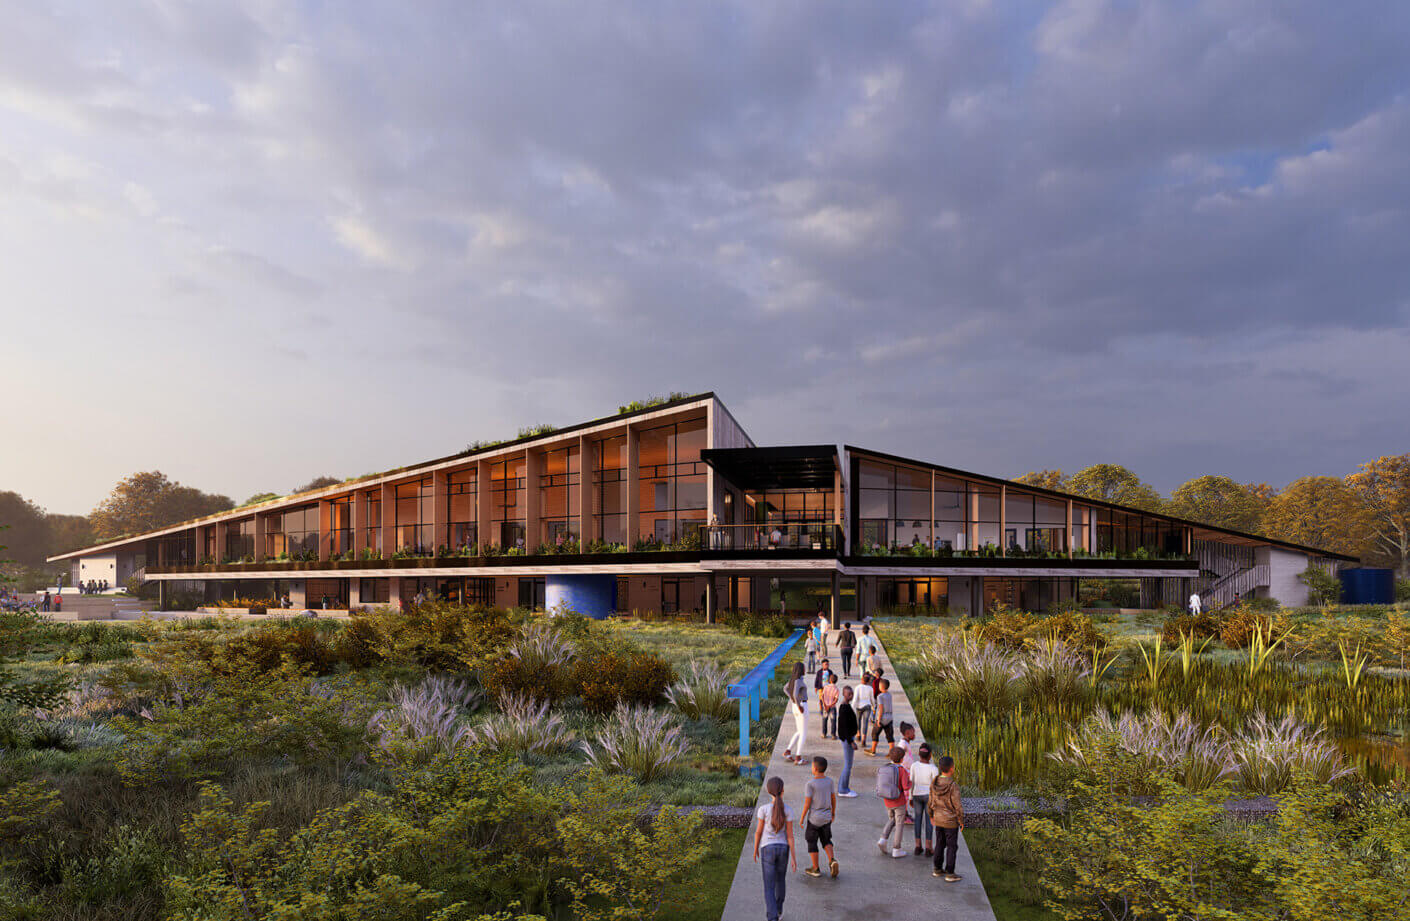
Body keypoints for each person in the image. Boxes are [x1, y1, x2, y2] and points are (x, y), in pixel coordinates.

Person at [753, 776, 796, 921]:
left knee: (769, 886)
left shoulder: (763, 809)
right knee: (780, 881)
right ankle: (778, 911)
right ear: (783, 791)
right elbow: (790, 836)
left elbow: (758, 832)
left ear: (768, 791)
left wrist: (755, 850)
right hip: (783, 849)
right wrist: (794, 858)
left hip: (767, 849)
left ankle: (772, 917)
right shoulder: (788, 810)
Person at [801, 755, 839, 879]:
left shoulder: (810, 784)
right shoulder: (829, 781)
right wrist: (833, 812)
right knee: (826, 840)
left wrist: (802, 818)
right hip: (827, 817)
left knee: (812, 841)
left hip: (814, 819)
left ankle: (815, 868)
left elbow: (807, 803)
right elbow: (833, 798)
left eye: (812, 766)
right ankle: (832, 860)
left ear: (815, 769)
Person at [929, 755, 965, 882]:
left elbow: (930, 801)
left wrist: (931, 815)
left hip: (938, 819)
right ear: (952, 768)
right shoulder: (953, 785)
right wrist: (961, 821)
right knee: (952, 846)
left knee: (939, 843)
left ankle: (937, 869)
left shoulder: (935, 782)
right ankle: (950, 873)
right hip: (950, 822)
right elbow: (957, 806)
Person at [876, 746, 912, 858]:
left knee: (892, 819)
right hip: (899, 801)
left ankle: (883, 839)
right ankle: (897, 849)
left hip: (887, 800)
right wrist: (911, 782)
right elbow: (906, 787)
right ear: (902, 759)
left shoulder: (885, 768)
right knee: (900, 824)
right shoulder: (902, 770)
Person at [910, 743, 940, 856]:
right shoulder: (933, 768)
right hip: (929, 797)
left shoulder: (914, 765)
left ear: (919, 754)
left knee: (917, 819)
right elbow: (935, 787)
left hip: (916, 795)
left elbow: (911, 782)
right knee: (929, 821)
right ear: (930, 755)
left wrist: (910, 797)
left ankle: (918, 846)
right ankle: (929, 847)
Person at [783, 662, 808, 765]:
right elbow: (794, 693)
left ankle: (788, 752)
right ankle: (798, 758)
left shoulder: (793, 679)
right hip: (801, 706)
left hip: (795, 706)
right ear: (801, 670)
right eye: (804, 668)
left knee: (799, 731)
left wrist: (793, 700)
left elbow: (785, 689)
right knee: (803, 733)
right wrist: (798, 705)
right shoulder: (798, 681)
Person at [836, 685, 859, 797]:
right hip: (847, 739)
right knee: (848, 765)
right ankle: (843, 790)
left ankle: (842, 787)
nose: (851, 695)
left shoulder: (846, 705)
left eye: (852, 693)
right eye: (849, 694)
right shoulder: (844, 708)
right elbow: (844, 728)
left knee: (847, 765)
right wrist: (851, 742)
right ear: (843, 694)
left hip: (848, 738)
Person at [866, 679, 895, 757]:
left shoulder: (880, 696)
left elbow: (881, 708)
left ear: (881, 687)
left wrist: (878, 720)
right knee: (890, 736)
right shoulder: (889, 695)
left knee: (875, 733)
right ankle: (892, 753)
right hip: (889, 718)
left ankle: (873, 750)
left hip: (882, 718)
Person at [853, 678, 874, 748]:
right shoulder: (870, 688)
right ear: (868, 681)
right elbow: (872, 699)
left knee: (857, 720)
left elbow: (855, 698)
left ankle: (858, 734)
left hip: (859, 706)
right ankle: (863, 739)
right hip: (867, 706)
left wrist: (852, 707)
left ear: (861, 679)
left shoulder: (857, 687)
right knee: (865, 722)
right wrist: (874, 706)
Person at [819, 673, 840, 739]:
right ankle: (833, 735)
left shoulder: (825, 687)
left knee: (824, 720)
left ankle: (824, 733)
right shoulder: (836, 689)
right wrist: (830, 705)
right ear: (836, 681)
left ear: (829, 680)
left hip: (825, 706)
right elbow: (836, 699)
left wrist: (825, 705)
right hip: (832, 707)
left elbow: (822, 696)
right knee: (833, 721)